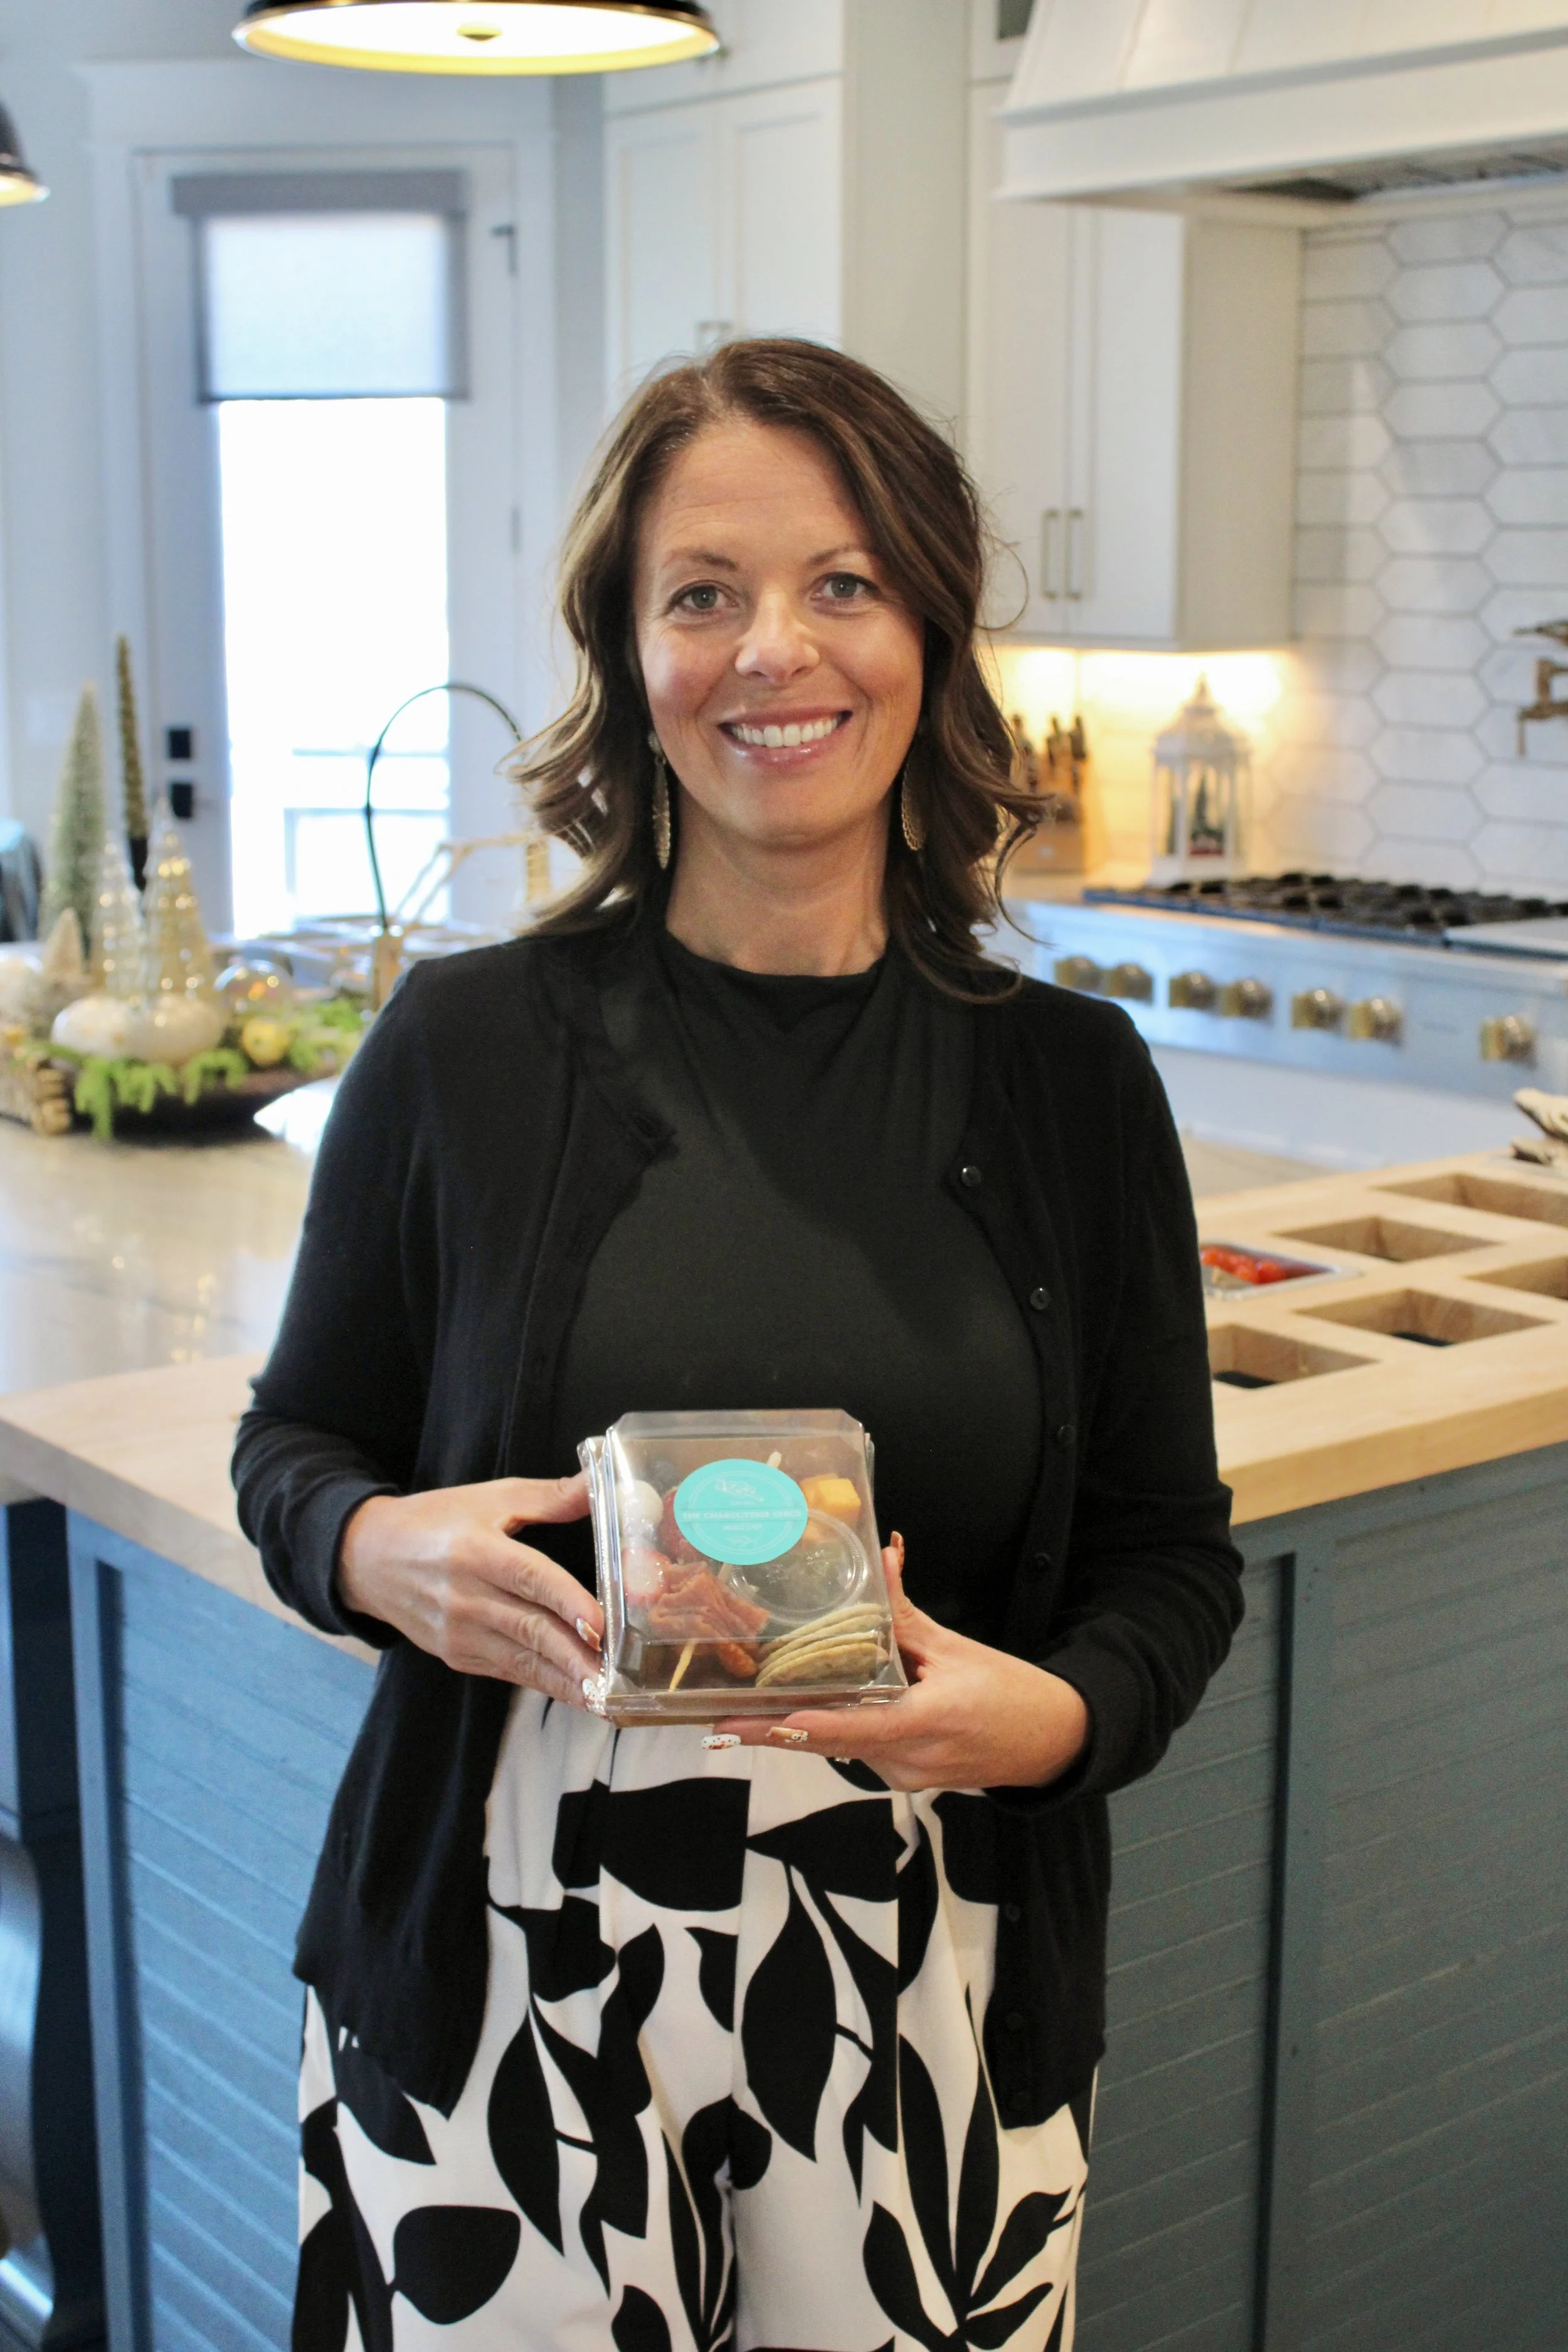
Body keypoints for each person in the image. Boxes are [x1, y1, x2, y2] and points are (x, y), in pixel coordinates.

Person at [234, 337, 1242, 2352]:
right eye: (702, 592)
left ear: (930, 629)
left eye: (841, 581)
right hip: (502, 1966)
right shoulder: (464, 1049)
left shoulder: (1070, 1084)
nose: (772, 650)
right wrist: (373, 1551)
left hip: (930, 1983)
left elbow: (1167, 1558)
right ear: (631, 648)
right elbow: (297, 1443)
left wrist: (1043, 1723)